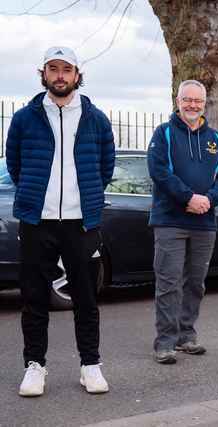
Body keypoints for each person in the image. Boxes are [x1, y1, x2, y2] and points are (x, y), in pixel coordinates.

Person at [7, 46, 115, 396]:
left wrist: (83, 200)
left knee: (85, 297)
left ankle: (90, 364)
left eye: (66, 69)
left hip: (80, 222)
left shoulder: (95, 118)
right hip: (37, 221)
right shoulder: (26, 118)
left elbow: (105, 167)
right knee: (34, 296)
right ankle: (35, 366)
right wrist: (36, 197)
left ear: (77, 75)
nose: (59, 76)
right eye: (53, 69)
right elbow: (15, 165)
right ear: (44, 74)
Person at [147, 80, 218, 364]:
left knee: (195, 283)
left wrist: (209, 200)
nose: (192, 105)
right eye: (187, 100)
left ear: (204, 102)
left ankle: (186, 336)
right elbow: (159, 172)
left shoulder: (215, 140)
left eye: (197, 100)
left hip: (204, 223)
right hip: (170, 221)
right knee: (169, 282)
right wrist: (188, 198)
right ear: (178, 100)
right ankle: (165, 342)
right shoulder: (164, 134)